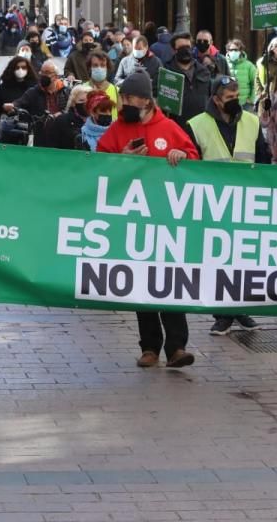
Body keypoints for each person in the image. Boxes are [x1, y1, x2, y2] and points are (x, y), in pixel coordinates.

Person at [96, 71, 200, 368]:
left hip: (167, 219)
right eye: (123, 98)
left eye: (129, 99)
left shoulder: (168, 127)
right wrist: (122, 158)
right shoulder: (117, 130)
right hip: (134, 221)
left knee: (170, 281)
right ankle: (150, 347)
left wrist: (182, 153)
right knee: (141, 282)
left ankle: (177, 346)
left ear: (146, 100)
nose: (124, 104)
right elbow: (99, 163)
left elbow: (195, 161)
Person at [186, 76, 268, 337]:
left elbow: (264, 159)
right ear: (216, 100)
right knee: (217, 259)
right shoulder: (197, 125)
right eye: (229, 98)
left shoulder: (252, 122)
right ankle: (222, 315)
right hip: (212, 202)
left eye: (237, 97)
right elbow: (192, 164)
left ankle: (239, 309)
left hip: (246, 201)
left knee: (243, 259)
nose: (236, 102)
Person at [164, 31, 214, 124]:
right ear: (174, 50)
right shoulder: (166, 72)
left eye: (188, 47)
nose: (186, 50)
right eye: (182, 48)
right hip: (177, 127)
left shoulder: (203, 71)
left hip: (201, 126)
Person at [14, 60, 69, 142]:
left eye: (47, 73)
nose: (43, 75)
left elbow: (72, 111)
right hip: (41, 137)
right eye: (42, 72)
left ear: (56, 76)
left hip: (62, 137)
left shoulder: (66, 92)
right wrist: (12, 106)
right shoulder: (33, 92)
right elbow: (18, 103)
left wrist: (61, 114)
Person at [37, 84, 89, 150]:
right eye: (81, 100)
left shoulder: (97, 121)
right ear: (73, 103)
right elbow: (51, 148)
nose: (85, 104)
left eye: (88, 101)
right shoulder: (61, 121)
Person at [0, 55, 35, 134]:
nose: (20, 70)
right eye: (17, 67)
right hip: (8, 131)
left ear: (28, 69)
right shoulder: (4, 87)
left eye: (24, 67)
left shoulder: (34, 87)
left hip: (29, 131)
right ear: (12, 69)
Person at [81, 50, 118, 116]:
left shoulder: (117, 91)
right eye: (95, 65)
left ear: (107, 68)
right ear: (90, 68)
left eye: (103, 65)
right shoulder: (81, 90)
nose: (99, 68)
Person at [224, 40, 257, 111]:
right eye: (231, 50)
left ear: (241, 51)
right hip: (228, 103)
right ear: (227, 51)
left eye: (236, 50)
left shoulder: (249, 66)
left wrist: (251, 99)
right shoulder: (223, 63)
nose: (233, 52)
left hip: (245, 104)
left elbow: (255, 83)